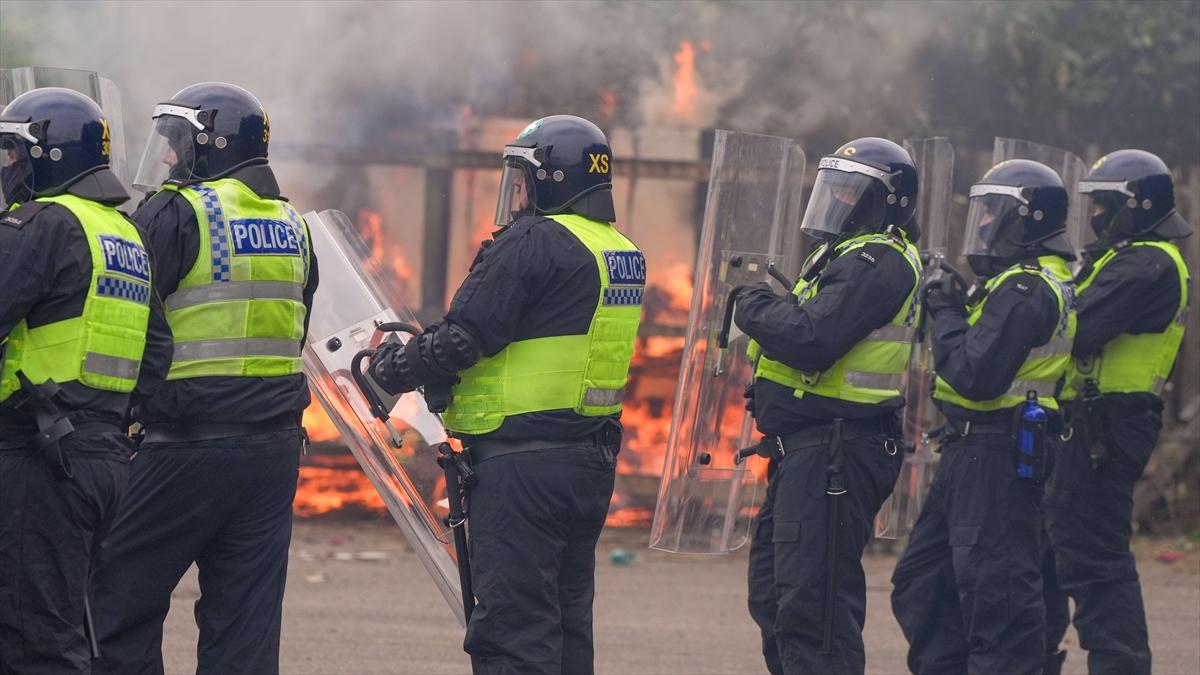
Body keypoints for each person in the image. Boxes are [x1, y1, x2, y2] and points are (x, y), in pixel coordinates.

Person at [367, 115, 644, 675]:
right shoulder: (618, 250)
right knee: (566, 627)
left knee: (513, 632)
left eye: (522, 177)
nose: (515, 192)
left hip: (521, 467)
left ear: (551, 180)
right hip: (587, 460)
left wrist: (391, 369)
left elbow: (466, 337)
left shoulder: (534, 241)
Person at [92, 83, 318, 675]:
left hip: (185, 444)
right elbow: (296, 332)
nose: (167, 158)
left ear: (211, 143)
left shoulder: (179, 211)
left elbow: (126, 316)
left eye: (176, 144)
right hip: (272, 451)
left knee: (113, 602)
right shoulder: (293, 225)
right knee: (244, 625)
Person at [735, 138, 922, 675]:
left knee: (814, 612)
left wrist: (752, 305)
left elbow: (813, 338)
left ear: (888, 200)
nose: (836, 201)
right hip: (809, 450)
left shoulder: (878, 260)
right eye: (831, 188)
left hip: (838, 451)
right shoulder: (840, 256)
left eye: (850, 191)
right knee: (775, 596)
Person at [891, 159, 1077, 675]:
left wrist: (946, 310)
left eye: (996, 214)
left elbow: (976, 374)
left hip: (1000, 452)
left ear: (1030, 219)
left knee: (998, 599)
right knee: (923, 582)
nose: (985, 226)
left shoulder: (1028, 287)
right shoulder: (1011, 283)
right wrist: (958, 302)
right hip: (970, 450)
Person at [0, 87, 150, 674]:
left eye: (14, 153)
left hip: (37, 456)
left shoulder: (39, 226)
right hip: (101, 456)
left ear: (47, 155)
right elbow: (156, 355)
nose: (8, 167)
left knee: (30, 639)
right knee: (63, 625)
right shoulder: (123, 234)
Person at [1043, 149, 1192, 675]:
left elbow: (1077, 326)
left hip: (1109, 425)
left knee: (1095, 561)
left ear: (1139, 205)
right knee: (1055, 550)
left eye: (1107, 203)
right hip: (1084, 423)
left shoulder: (1148, 262)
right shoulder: (1118, 258)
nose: (1098, 213)